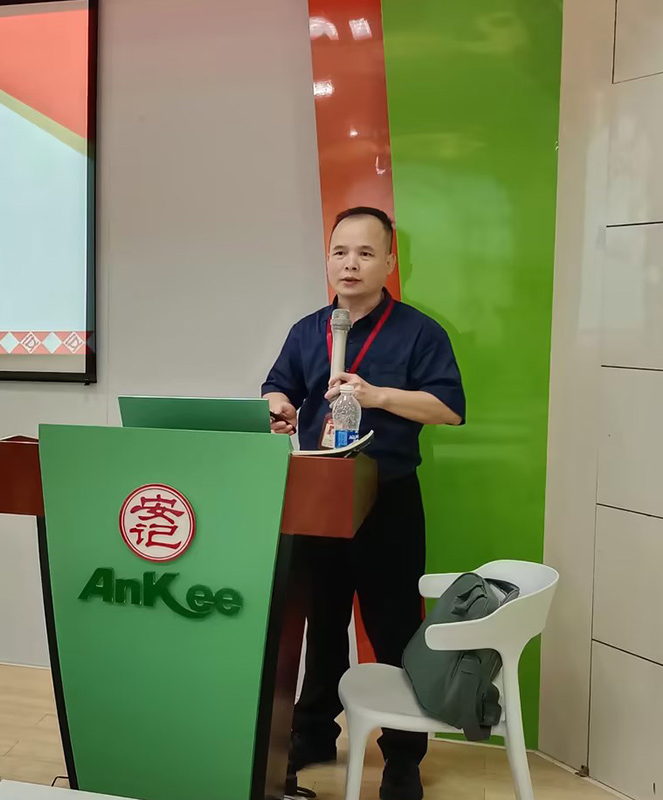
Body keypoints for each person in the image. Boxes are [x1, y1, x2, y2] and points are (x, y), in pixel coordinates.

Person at [261, 207, 465, 800]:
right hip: (318, 497)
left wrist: (378, 396)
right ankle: (313, 732)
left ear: (389, 263)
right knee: (320, 621)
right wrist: (279, 408)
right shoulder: (309, 330)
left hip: (386, 496)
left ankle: (402, 755)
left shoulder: (420, 332)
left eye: (365, 253)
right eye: (340, 252)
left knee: (394, 626)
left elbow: (448, 408)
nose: (350, 264)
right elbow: (278, 385)